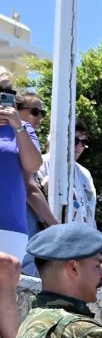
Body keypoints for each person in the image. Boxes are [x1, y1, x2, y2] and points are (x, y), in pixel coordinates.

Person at [0, 83, 45, 258]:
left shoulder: (24, 129)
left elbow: (33, 165)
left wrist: (18, 127)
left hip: (11, 225)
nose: (3, 96)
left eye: (8, 92)